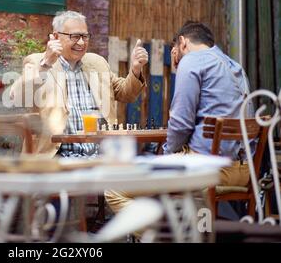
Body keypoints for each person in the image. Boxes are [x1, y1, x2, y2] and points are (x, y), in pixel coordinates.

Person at [105, 21, 254, 214]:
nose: (174, 57)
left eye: (174, 49)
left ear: (182, 43)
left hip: (204, 171)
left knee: (114, 189)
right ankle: (189, 229)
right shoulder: (235, 67)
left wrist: (167, 156)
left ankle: (166, 235)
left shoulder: (192, 61)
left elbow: (180, 124)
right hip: (243, 171)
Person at [10, 10, 148, 159]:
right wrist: (46, 64)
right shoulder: (38, 62)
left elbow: (125, 93)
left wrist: (135, 69)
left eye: (85, 36)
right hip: (58, 157)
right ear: (56, 37)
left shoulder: (97, 62)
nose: (81, 42)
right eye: (75, 36)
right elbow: (17, 97)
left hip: (102, 156)